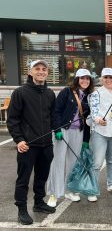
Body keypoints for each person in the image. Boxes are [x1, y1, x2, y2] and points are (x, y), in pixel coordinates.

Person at [7, 60, 56, 225]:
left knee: (42, 177)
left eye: (44, 69)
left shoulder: (50, 94)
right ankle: (21, 209)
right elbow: (12, 119)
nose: (41, 71)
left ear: (47, 73)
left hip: (46, 145)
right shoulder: (20, 93)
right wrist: (19, 140)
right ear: (30, 72)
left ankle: (39, 203)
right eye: (37, 69)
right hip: (27, 145)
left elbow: (53, 118)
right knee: (23, 179)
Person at [46, 69, 94, 207]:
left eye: (88, 79)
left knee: (73, 164)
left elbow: (87, 121)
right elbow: (56, 111)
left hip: (78, 133)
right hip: (63, 131)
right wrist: (57, 129)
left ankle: (69, 190)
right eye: (82, 78)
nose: (85, 81)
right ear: (77, 79)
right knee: (58, 162)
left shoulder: (90, 97)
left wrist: (85, 139)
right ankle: (53, 194)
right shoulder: (66, 92)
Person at [88, 67, 112, 202]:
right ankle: (92, 189)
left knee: (111, 160)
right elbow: (93, 111)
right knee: (97, 163)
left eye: (111, 77)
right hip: (100, 132)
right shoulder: (95, 94)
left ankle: (111, 184)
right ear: (101, 79)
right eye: (106, 77)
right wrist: (99, 119)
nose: (108, 80)